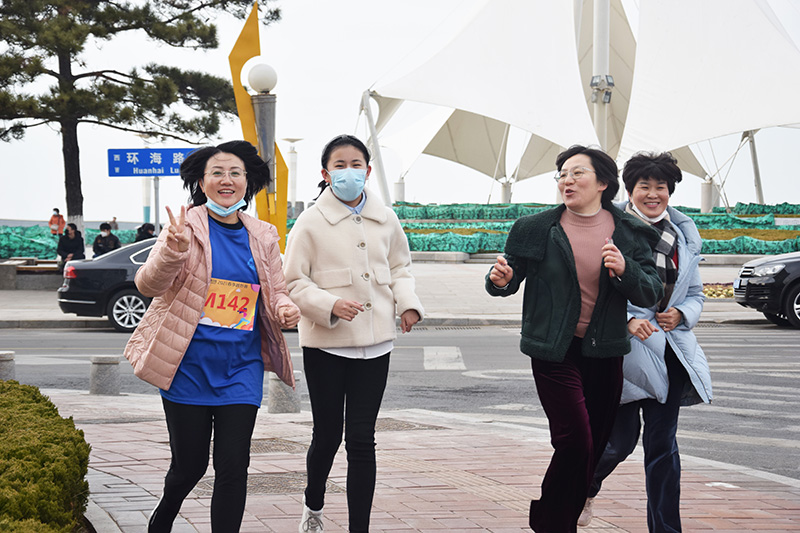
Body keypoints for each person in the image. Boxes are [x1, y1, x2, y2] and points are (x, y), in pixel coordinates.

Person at [122, 140, 301, 533]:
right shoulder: (184, 227)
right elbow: (148, 284)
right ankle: (163, 517)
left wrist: (285, 307)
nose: (226, 180)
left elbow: (276, 288)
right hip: (187, 366)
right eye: (217, 172)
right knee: (189, 467)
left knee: (234, 467)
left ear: (247, 182)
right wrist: (172, 249)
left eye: (235, 173)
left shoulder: (264, 234)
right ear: (202, 182)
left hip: (241, 368)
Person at [485, 144, 664, 533]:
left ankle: (556, 519)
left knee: (594, 445)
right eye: (562, 174)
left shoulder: (631, 232)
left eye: (577, 173)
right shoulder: (536, 228)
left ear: (602, 182)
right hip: (553, 350)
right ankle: (553, 524)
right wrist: (500, 279)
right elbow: (509, 275)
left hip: (605, 352)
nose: (567, 180)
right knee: (575, 439)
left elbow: (650, 291)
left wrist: (625, 269)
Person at [283, 134, 424, 533]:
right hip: (327, 345)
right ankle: (313, 507)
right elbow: (293, 281)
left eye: (356, 164)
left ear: (368, 170)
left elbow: (400, 268)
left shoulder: (386, 217)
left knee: (362, 438)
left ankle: (358, 527)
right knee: (327, 435)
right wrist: (328, 305)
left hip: (377, 345)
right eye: (339, 165)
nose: (349, 171)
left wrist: (408, 303)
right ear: (326, 174)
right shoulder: (310, 221)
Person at [579, 152, 713, 532]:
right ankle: (582, 488)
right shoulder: (610, 227)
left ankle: (666, 529)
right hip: (620, 354)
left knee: (663, 449)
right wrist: (627, 320)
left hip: (669, 352)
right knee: (618, 442)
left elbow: (696, 294)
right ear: (630, 190)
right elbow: (589, 289)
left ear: (670, 191)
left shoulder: (683, 235)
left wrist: (682, 314)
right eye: (644, 187)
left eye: (661, 188)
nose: (653, 195)